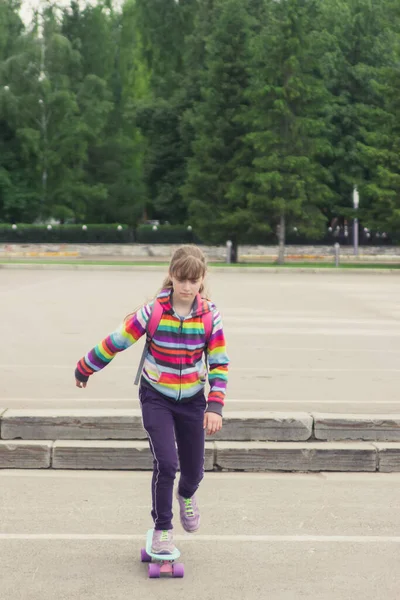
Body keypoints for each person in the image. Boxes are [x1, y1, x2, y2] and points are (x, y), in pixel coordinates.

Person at [74, 245, 229, 554]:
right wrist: (85, 367)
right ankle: (162, 529)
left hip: (194, 401)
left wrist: (215, 405)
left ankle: (186, 495)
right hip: (156, 396)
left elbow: (220, 362)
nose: (186, 287)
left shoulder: (210, 316)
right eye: (181, 279)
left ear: (202, 280)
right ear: (171, 276)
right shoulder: (154, 311)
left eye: (193, 281)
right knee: (167, 463)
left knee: (194, 471)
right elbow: (116, 341)